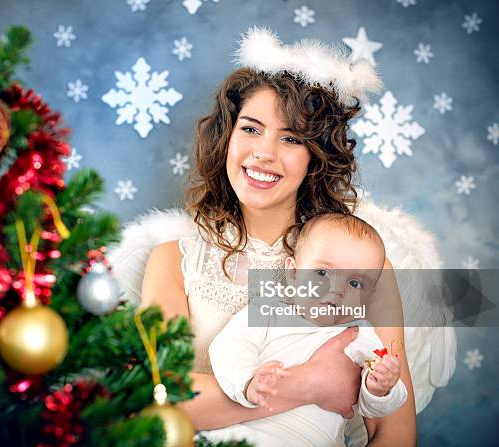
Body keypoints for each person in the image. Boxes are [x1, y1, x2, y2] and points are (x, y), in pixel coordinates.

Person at [140, 27, 416, 445]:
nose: (264, 153)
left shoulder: (360, 269)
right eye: (250, 129)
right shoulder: (172, 261)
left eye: (290, 138)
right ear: (227, 138)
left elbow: (394, 432)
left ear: (316, 158)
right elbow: (161, 397)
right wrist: (311, 384)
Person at [204, 213, 407, 446]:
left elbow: (377, 408)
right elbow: (229, 345)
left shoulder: (360, 335)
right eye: (322, 273)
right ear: (293, 272)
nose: (337, 289)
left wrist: (379, 388)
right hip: (243, 432)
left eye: (354, 283)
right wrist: (248, 381)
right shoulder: (267, 309)